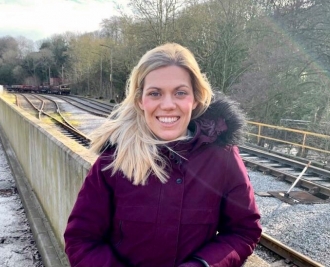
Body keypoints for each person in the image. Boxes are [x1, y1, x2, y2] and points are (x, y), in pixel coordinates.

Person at [64, 43, 262, 267]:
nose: (168, 105)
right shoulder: (113, 160)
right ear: (141, 100)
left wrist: (204, 265)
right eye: (155, 93)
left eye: (180, 93)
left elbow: (243, 231)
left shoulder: (221, 156)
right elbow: (81, 240)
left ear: (195, 99)